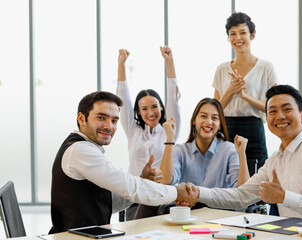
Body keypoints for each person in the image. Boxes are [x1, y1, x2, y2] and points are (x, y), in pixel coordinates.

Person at [180, 85, 302, 224]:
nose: (280, 116)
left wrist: (284, 197)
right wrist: (197, 192)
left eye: (287, 109)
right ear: (267, 120)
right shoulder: (275, 159)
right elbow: (241, 196)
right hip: (292, 234)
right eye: (273, 111)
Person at [49, 91, 194, 234]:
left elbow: (110, 203)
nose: (109, 126)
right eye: (101, 117)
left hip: (90, 235)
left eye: (114, 120)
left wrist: (142, 179)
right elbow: (130, 186)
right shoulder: (80, 150)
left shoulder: (86, 148)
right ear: (81, 118)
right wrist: (177, 192)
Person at [133, 98, 250, 219]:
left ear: (220, 124)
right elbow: (166, 181)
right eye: (203, 116)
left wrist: (241, 154)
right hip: (186, 212)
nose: (209, 122)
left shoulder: (229, 150)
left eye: (214, 118)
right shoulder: (181, 150)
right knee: (148, 201)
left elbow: (242, 191)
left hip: (217, 212)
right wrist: (170, 139)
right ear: (194, 120)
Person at [116, 46, 181, 218]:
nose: (150, 112)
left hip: (161, 199)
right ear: (138, 112)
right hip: (135, 198)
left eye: (154, 107)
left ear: (162, 107)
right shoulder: (133, 131)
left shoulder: (169, 129)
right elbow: (123, 96)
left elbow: (173, 97)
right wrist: (121, 64)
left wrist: (169, 62)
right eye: (144, 109)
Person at [213, 12, 278, 175]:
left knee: (256, 178)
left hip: (253, 129)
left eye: (243, 32)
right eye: (232, 34)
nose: (238, 38)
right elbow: (214, 111)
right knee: (227, 179)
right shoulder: (221, 69)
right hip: (226, 129)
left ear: (252, 35)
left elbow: (273, 107)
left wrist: (244, 96)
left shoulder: (266, 68)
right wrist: (231, 91)